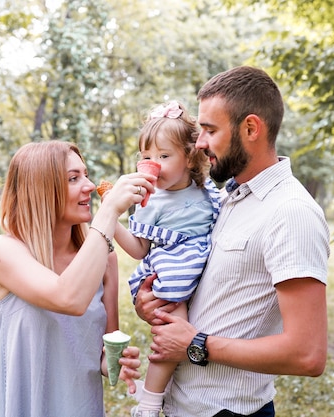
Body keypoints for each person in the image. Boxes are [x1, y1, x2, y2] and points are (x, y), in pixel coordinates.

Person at [134, 66, 330, 417]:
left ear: (251, 128)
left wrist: (196, 345)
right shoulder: (226, 198)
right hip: (181, 405)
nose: (200, 143)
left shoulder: (291, 212)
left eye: (209, 130)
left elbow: (307, 353)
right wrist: (153, 303)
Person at [0, 140, 152, 417]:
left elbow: (102, 354)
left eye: (85, 174)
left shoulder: (104, 258)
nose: (88, 185)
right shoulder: (3, 251)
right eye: (74, 178)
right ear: (40, 190)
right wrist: (109, 211)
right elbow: (67, 298)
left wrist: (113, 362)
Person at [108, 101, 221, 417]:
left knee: (180, 336)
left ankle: (163, 389)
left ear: (189, 156)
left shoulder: (206, 190)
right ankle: (149, 402)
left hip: (203, 265)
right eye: (146, 157)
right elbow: (139, 249)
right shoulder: (149, 200)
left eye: (163, 156)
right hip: (174, 265)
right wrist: (112, 217)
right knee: (174, 333)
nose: (152, 164)